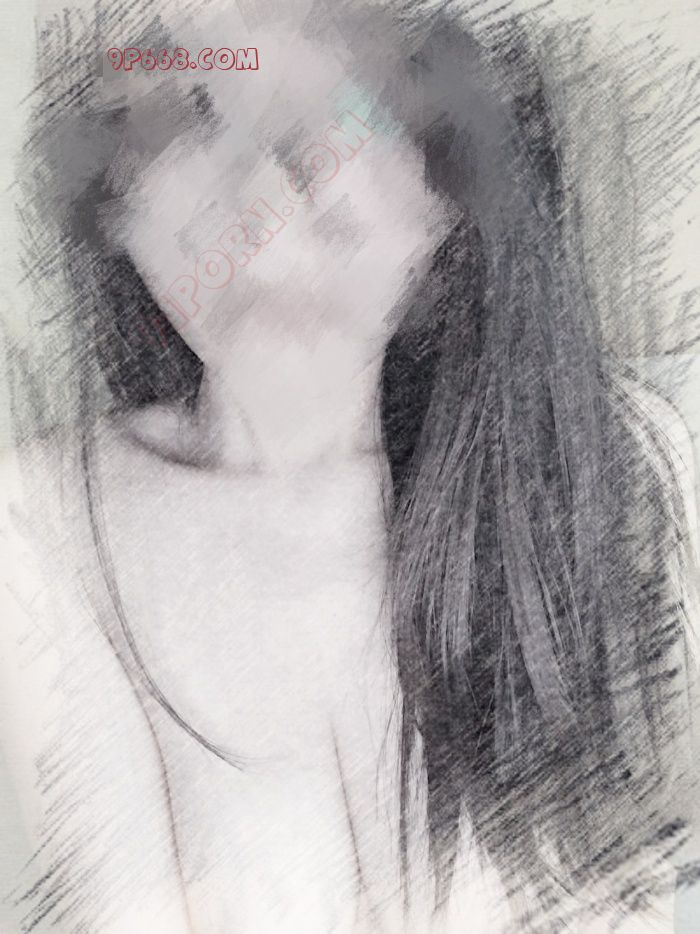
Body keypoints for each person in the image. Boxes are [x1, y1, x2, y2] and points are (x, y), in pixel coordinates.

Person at [1, 0, 698, 931]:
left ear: (451, 182)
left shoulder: (626, 471)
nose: (268, 191)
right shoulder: (34, 532)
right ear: (115, 194)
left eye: (352, 99)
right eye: (194, 107)